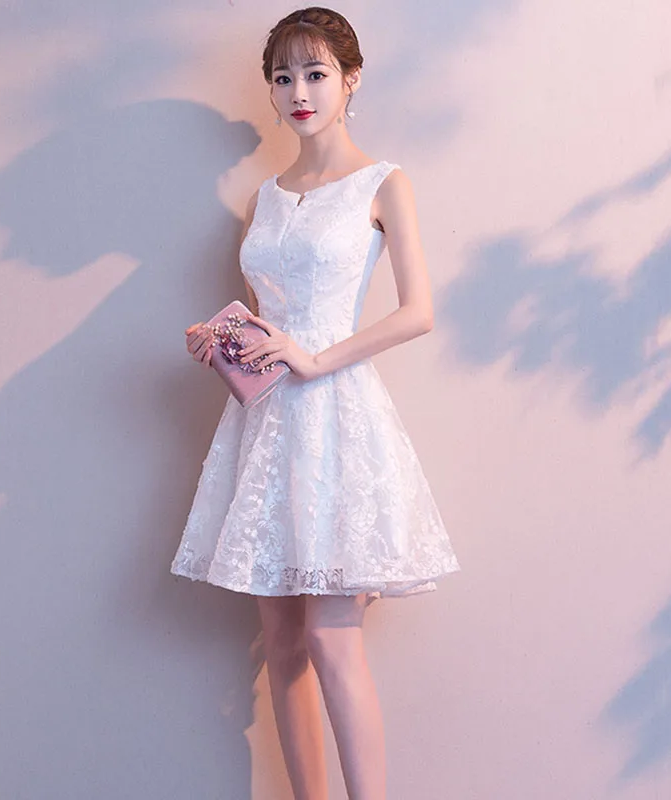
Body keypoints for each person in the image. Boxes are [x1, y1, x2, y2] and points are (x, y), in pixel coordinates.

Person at [171, 7, 461, 799]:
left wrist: (313, 357)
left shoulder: (383, 182)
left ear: (350, 80)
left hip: (336, 414)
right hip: (266, 422)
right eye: (283, 77)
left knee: (332, 636)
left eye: (315, 74)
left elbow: (418, 311)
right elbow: (268, 314)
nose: (298, 92)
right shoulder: (265, 197)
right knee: (281, 639)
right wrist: (221, 337)